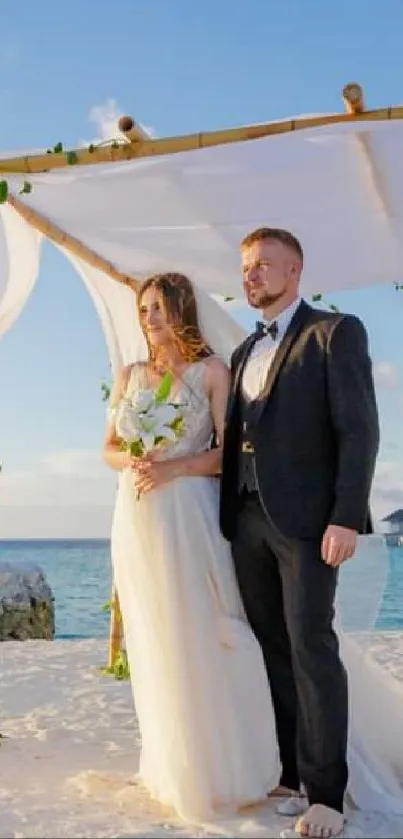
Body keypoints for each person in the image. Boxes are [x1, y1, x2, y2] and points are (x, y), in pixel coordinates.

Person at [103, 272, 282, 823]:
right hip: (137, 516)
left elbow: (230, 455)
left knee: (200, 629)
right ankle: (168, 759)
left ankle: (221, 763)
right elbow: (108, 445)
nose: (149, 318)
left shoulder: (212, 373)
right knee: (155, 633)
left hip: (189, 515)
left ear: (182, 309)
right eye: (143, 309)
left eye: (158, 307)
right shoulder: (131, 374)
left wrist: (175, 466)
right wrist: (131, 460)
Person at [219, 227, 380, 838]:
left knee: (313, 648)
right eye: (246, 268)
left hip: (312, 523)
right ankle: (294, 775)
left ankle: (329, 796)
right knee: (276, 649)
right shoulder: (242, 352)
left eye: (263, 265)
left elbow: (358, 431)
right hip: (248, 520)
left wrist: (346, 515)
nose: (251, 276)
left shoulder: (335, 332)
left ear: (295, 270)